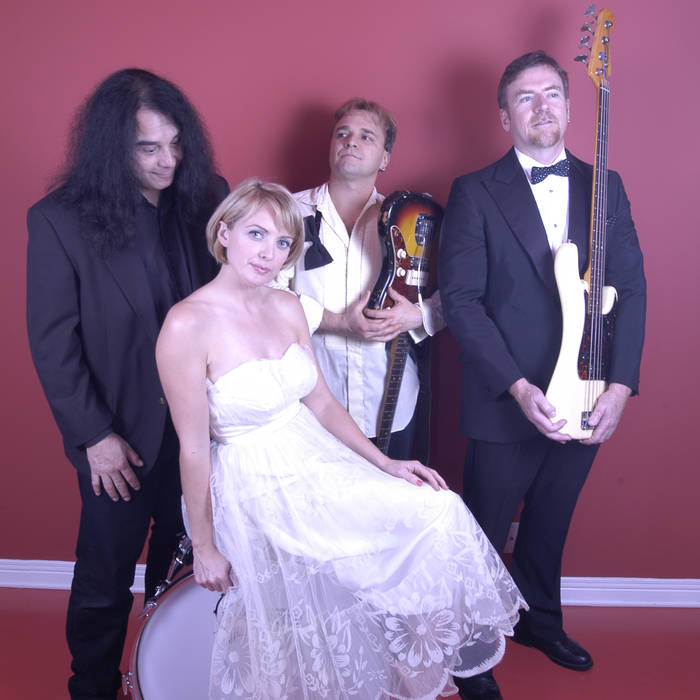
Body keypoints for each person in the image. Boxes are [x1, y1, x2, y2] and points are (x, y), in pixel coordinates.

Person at [156, 178, 525, 700]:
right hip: (250, 483)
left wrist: (386, 464)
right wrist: (204, 545)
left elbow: (323, 403)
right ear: (224, 233)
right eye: (256, 234)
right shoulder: (185, 325)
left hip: (312, 457)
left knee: (436, 509)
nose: (268, 253)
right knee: (288, 621)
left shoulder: (287, 306)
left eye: (283, 242)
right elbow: (193, 447)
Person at [439, 50, 646, 693]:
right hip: (507, 395)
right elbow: (462, 301)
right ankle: (471, 653)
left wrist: (620, 386)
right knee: (484, 529)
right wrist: (518, 386)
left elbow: (631, 288)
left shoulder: (606, 185)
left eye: (551, 93)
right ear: (505, 117)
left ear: (570, 106)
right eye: (524, 98)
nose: (541, 106)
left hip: (586, 387)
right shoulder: (474, 191)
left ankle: (539, 622)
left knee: (551, 519)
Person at [26, 68, 228, 699]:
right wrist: (95, 437)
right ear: (113, 148)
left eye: (176, 144)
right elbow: (54, 344)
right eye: (149, 148)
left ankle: (170, 682)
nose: (168, 161)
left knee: (190, 572)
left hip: (205, 431)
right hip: (119, 440)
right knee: (105, 576)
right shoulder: (58, 220)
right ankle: (90, 687)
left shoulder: (208, 196)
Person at [276, 98, 444, 459]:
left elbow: (458, 292)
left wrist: (418, 316)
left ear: (385, 158)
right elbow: (266, 294)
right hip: (309, 406)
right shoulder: (287, 211)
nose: (351, 141)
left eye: (367, 136)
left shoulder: (411, 220)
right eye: (343, 134)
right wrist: (337, 322)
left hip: (392, 404)